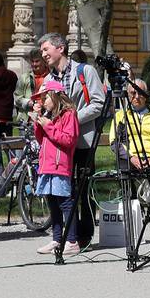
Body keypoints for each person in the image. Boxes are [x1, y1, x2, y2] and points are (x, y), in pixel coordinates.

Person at [37, 34, 105, 253]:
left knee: (83, 188)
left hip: (82, 140)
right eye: (42, 51)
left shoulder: (84, 71)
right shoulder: (50, 78)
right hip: (59, 145)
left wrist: (72, 120)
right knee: (60, 190)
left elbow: (98, 103)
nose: (44, 54)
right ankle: (64, 236)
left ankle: (83, 235)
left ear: (61, 48)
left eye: (46, 49)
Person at [30, 81, 78, 264]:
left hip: (60, 165)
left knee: (65, 202)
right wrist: (39, 122)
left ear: (56, 96)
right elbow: (41, 138)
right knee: (52, 203)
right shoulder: (49, 115)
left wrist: (48, 125)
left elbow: (68, 140)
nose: (42, 101)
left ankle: (72, 241)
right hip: (47, 165)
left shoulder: (68, 115)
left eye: (45, 97)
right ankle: (57, 239)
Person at [111, 78, 150, 196]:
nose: (137, 96)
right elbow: (114, 142)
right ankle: (134, 205)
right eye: (133, 93)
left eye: (140, 92)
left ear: (146, 95)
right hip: (130, 157)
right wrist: (132, 158)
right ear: (128, 95)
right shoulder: (120, 116)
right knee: (123, 171)